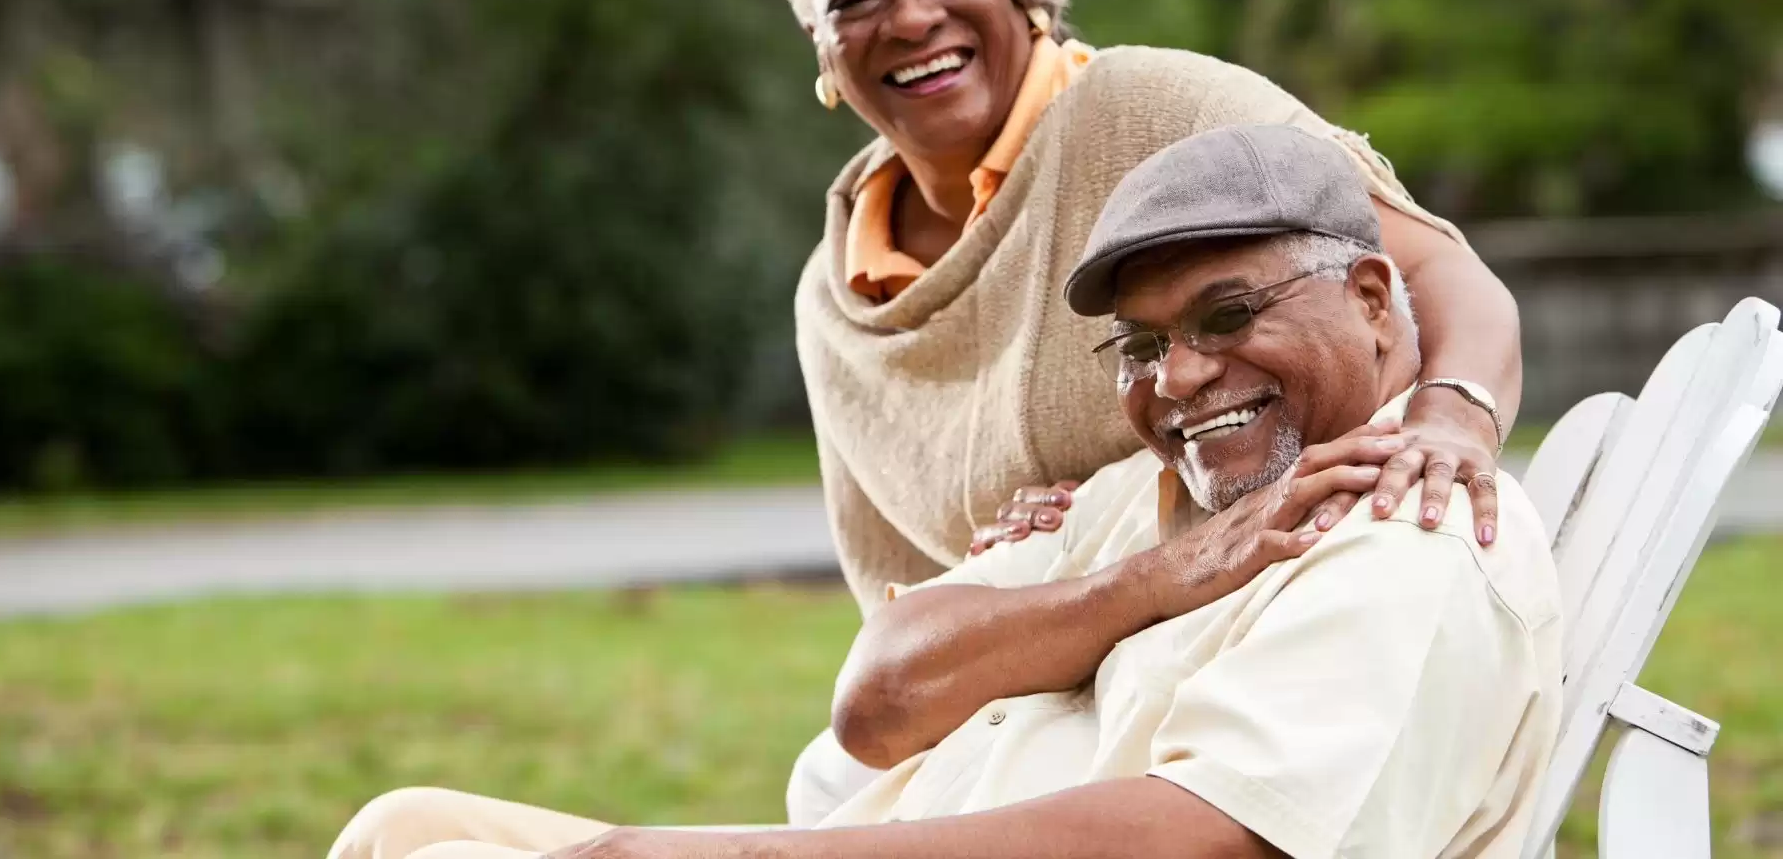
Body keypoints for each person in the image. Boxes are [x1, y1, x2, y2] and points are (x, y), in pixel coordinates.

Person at [325, 124, 1562, 859]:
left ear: (1370, 299)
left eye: (1228, 315)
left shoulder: (1403, 526)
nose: (1180, 376)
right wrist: (1159, 576)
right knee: (400, 826)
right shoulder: (1142, 502)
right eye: (1141, 344)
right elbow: (877, 700)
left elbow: (1215, 839)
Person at [777, 0, 1518, 825]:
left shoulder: (1152, 112)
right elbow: (898, 612)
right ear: (820, 47)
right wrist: (1017, 575)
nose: (908, 21)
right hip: (1038, 664)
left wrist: (1452, 420)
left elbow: (1429, 272)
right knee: (824, 776)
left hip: (1215, 638)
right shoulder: (836, 297)